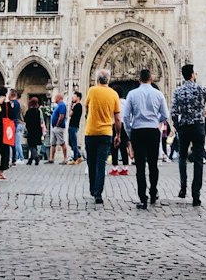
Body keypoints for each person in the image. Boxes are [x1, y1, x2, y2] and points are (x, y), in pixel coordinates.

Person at [122, 68, 170, 209]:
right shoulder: (158, 94)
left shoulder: (132, 94)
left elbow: (125, 116)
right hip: (152, 130)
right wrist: (156, 121)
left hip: (138, 130)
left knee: (140, 166)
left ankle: (143, 198)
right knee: (153, 164)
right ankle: (153, 192)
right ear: (151, 79)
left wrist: (130, 132)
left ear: (139, 80)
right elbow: (165, 114)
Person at [171, 63, 206, 205]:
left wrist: (177, 126)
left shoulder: (178, 91)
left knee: (182, 157)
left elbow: (173, 113)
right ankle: (196, 194)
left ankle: (183, 187)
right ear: (192, 74)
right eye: (195, 73)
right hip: (198, 127)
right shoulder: (200, 89)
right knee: (198, 159)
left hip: (184, 127)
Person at [83, 68, 121, 205]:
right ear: (108, 80)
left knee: (91, 162)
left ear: (97, 79)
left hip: (91, 132)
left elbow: (86, 109)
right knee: (101, 164)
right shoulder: (114, 94)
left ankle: (93, 189)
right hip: (106, 133)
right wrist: (118, 135)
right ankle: (98, 193)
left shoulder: (92, 91)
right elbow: (117, 118)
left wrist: (90, 118)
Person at [24, 95, 46, 166]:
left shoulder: (29, 111)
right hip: (38, 130)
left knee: (31, 145)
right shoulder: (38, 111)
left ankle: (36, 157)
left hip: (31, 130)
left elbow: (26, 120)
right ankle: (30, 160)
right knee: (34, 145)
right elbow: (41, 120)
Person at [49, 91, 69, 164]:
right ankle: (51, 158)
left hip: (59, 127)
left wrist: (57, 124)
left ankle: (65, 159)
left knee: (62, 142)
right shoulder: (58, 106)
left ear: (59, 98)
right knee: (53, 143)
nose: (54, 99)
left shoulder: (62, 105)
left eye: (55, 97)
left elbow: (61, 116)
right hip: (55, 127)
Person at [68, 91, 84, 163]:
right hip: (73, 125)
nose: (73, 98)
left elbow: (70, 114)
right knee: (71, 142)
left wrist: (71, 105)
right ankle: (79, 156)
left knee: (73, 143)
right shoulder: (78, 106)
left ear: (78, 97)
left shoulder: (77, 106)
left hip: (73, 126)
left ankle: (76, 158)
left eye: (74, 96)